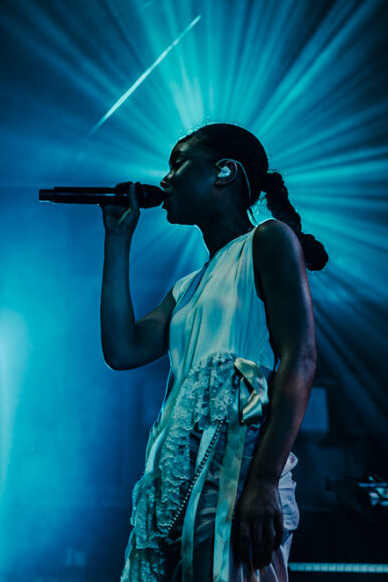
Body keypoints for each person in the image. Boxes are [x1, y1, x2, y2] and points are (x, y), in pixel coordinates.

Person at [100, 123, 328, 581]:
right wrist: (117, 240)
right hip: (176, 488)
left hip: (236, 479)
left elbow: (300, 359)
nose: (165, 179)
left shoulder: (268, 240)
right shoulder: (185, 288)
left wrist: (264, 481)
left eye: (178, 163)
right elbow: (122, 350)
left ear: (224, 172)